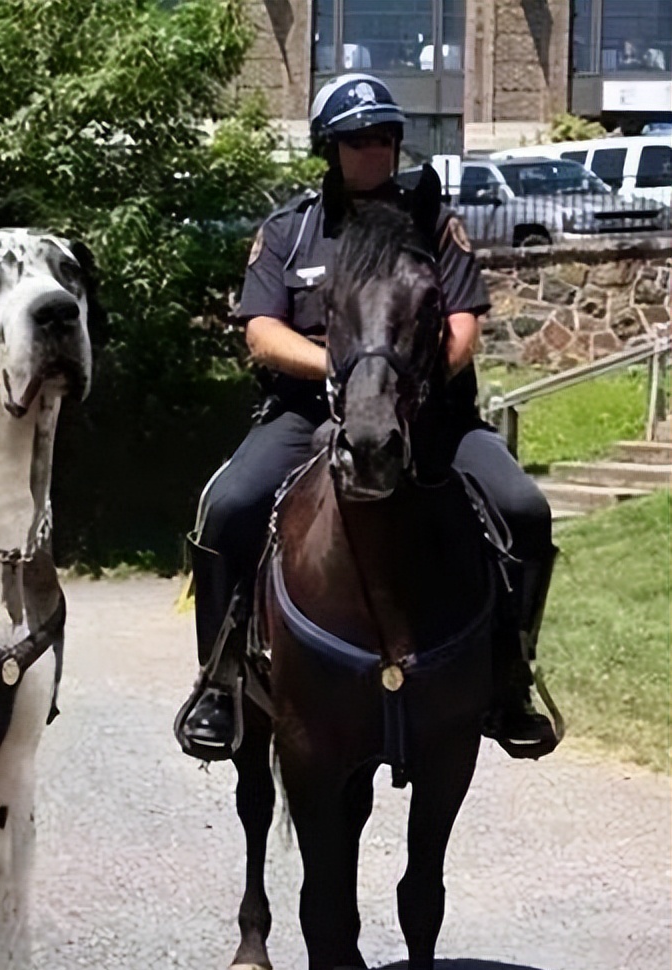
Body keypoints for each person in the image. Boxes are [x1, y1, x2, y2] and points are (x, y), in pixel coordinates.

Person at [174, 74, 560, 764]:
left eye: (385, 136)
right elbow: (261, 332)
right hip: (306, 412)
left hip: (430, 413)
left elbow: (464, 328)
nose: (376, 149)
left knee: (524, 509)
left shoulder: (432, 224)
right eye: (358, 139)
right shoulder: (290, 232)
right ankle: (220, 680)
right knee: (226, 506)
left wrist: (399, 387)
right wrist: (348, 377)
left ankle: (510, 679)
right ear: (330, 147)